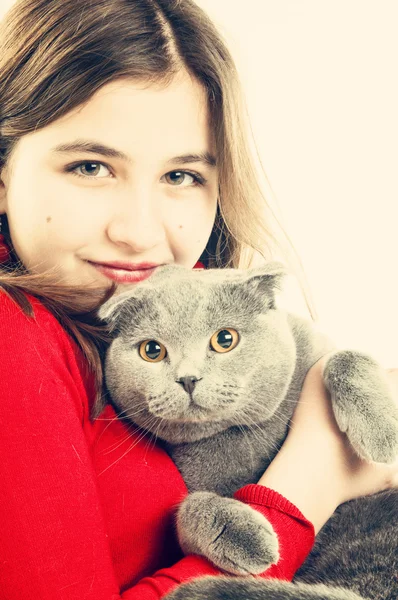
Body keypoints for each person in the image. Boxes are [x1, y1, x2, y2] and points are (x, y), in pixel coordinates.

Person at [0, 1, 397, 599]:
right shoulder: (13, 333)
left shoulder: (188, 302)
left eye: (181, 176)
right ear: (4, 171)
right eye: (90, 166)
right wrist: (309, 482)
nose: (138, 231)